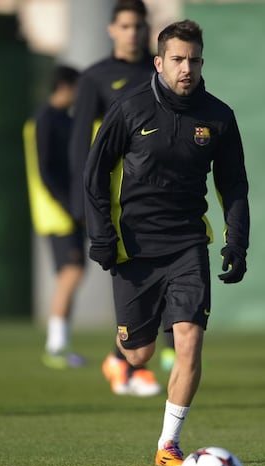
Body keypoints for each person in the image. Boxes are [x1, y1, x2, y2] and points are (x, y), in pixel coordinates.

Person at [83, 19, 250, 466]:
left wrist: (238, 243)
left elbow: (233, 184)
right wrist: (101, 234)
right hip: (134, 249)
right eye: (177, 59)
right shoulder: (129, 108)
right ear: (159, 63)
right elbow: (94, 174)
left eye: (194, 60)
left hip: (187, 247)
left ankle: (168, 444)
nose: (186, 69)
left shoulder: (218, 117)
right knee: (138, 351)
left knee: (190, 341)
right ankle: (122, 359)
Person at [70, 0, 173, 395]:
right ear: (112, 29)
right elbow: (83, 145)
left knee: (166, 278)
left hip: (157, 198)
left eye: (138, 25)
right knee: (136, 280)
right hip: (114, 203)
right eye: (125, 26)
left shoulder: (160, 71)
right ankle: (126, 363)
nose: (132, 32)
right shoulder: (96, 78)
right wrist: (83, 205)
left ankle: (122, 361)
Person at [23, 65, 86, 369]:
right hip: (57, 212)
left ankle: (62, 343)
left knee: (73, 272)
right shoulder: (46, 119)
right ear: (64, 86)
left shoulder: (65, 119)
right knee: (70, 273)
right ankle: (55, 345)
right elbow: (46, 172)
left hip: (68, 209)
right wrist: (70, 206)